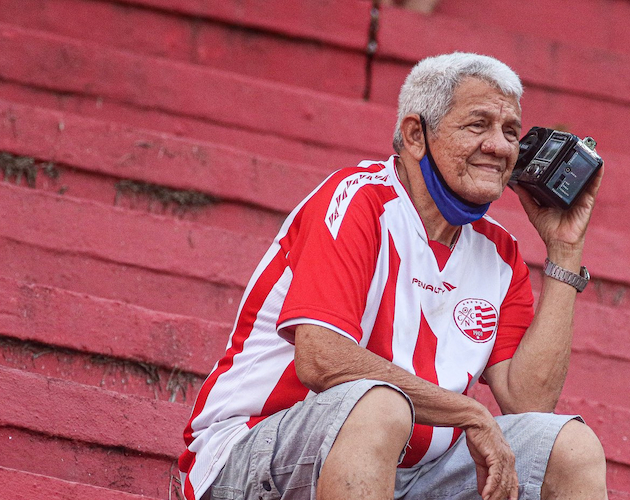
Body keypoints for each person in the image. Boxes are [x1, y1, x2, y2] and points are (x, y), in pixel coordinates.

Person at [178, 52, 606, 500]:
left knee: (571, 448)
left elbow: (529, 404)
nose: (499, 146)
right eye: (478, 125)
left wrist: (564, 251)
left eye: (510, 131)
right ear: (415, 135)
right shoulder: (357, 200)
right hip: (250, 457)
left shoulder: (501, 252)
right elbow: (322, 359)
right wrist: (468, 413)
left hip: (408, 475)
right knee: (380, 404)